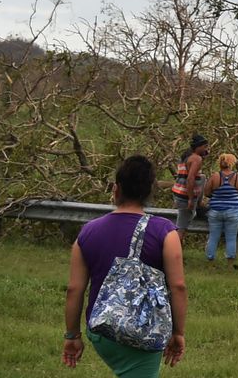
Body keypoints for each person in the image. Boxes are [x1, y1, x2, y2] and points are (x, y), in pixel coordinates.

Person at [62, 155, 188, 376]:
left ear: (116, 188)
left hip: (101, 330)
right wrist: (178, 333)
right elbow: (178, 286)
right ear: (150, 190)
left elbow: (75, 289)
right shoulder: (165, 231)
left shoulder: (88, 231)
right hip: (143, 331)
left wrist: (72, 335)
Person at [200, 154, 238, 267]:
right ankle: (230, 263)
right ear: (232, 163)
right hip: (233, 211)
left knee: (213, 236)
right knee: (231, 237)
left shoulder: (215, 176)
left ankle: (210, 261)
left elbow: (206, 192)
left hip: (215, 211)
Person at [169, 137, 209, 234]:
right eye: (205, 147)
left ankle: (199, 205)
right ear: (198, 147)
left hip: (178, 193)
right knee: (181, 229)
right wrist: (190, 199)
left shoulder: (186, 157)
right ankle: (174, 247)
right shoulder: (196, 159)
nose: (206, 149)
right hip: (185, 197)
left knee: (202, 177)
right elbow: (190, 179)